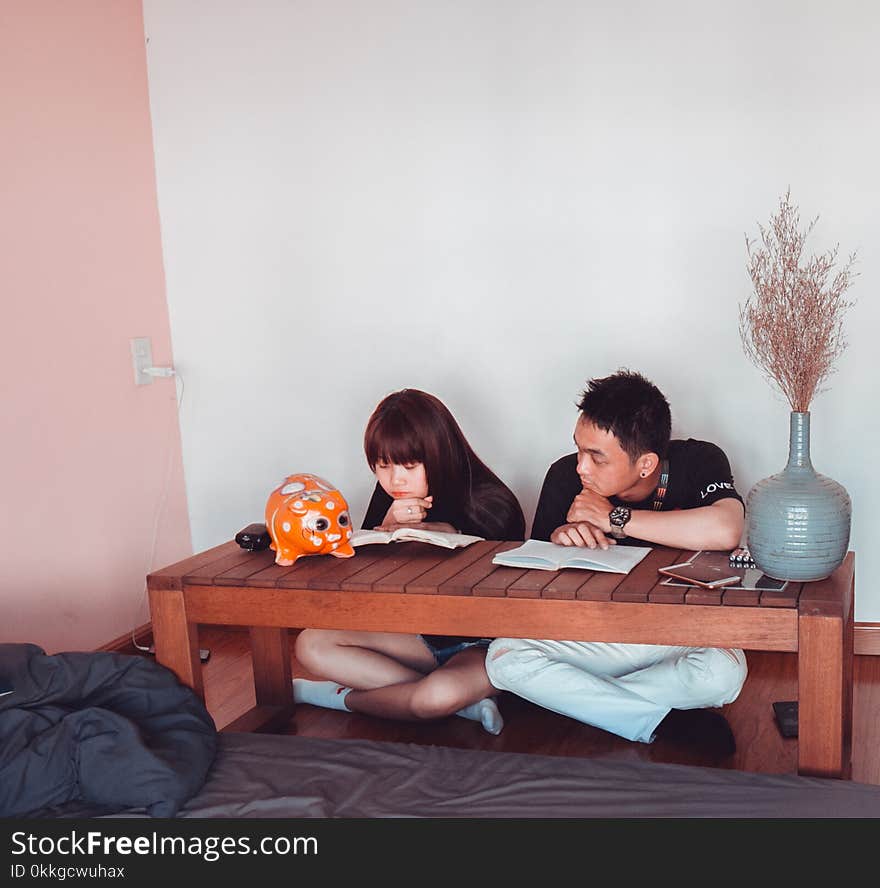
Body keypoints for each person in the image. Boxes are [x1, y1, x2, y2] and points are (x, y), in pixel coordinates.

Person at [485, 370, 748, 755]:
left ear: (645, 464)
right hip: (594, 639)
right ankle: (657, 719)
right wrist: (558, 541)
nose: (581, 467)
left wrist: (614, 518)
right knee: (503, 659)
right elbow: (533, 594)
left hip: (675, 635)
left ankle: (570, 701)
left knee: (725, 671)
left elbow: (726, 528)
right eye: (579, 449)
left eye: (596, 457)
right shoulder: (563, 476)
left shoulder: (700, 460)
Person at [293, 388, 525, 734]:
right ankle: (464, 704)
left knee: (435, 697)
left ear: (440, 453)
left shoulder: (491, 501)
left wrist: (448, 534)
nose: (395, 479)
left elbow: (502, 597)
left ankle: (337, 697)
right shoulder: (391, 499)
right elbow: (359, 585)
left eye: (409, 465)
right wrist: (386, 528)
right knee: (310, 643)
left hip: (481, 644)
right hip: (417, 637)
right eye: (384, 466)